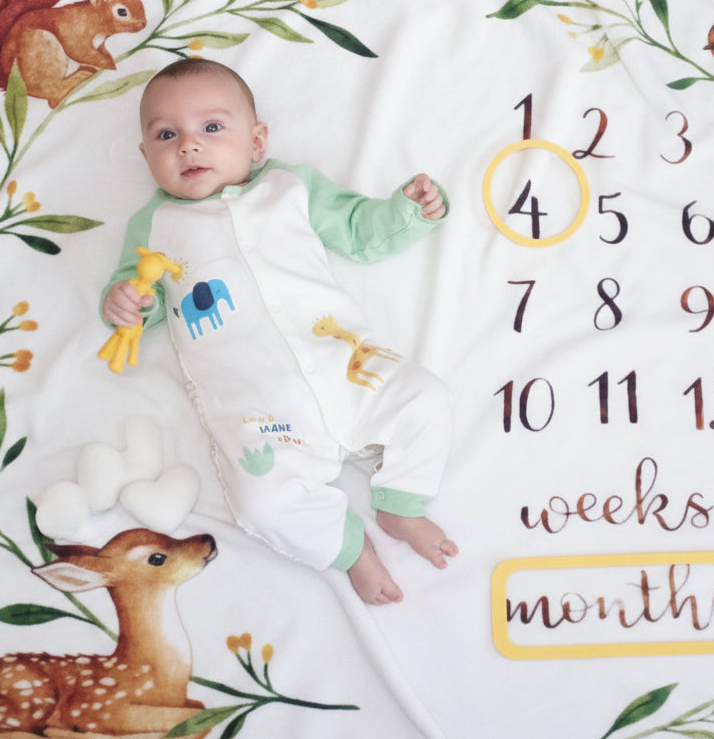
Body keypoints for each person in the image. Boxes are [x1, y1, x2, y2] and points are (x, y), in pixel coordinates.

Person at [102, 58, 457, 604]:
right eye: (166, 135)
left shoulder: (290, 187)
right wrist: (125, 304)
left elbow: (358, 229)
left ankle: (401, 502)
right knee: (261, 505)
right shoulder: (155, 227)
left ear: (257, 141)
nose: (189, 147)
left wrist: (407, 212)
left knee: (427, 398)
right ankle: (349, 547)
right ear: (146, 155)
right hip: (259, 408)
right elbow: (138, 292)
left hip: (345, 364)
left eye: (212, 128)